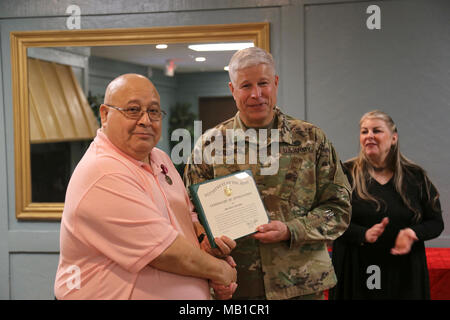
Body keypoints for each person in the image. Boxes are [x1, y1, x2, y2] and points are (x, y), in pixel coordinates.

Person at [183, 47, 352, 300]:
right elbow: (189, 214)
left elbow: (337, 209)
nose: (256, 94)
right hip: (235, 285)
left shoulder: (312, 139)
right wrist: (205, 238)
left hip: (300, 286)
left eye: (263, 83)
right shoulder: (209, 145)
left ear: (275, 83)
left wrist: (291, 229)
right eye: (245, 86)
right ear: (232, 89)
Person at [54, 73, 237, 300]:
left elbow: (186, 218)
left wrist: (205, 244)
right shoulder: (103, 173)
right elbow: (166, 253)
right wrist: (222, 271)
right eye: (133, 110)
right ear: (105, 114)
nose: (145, 120)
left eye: (153, 111)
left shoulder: (160, 158)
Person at [330, 110, 444, 300]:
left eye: (377, 131)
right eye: (364, 131)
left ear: (393, 138)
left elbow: (436, 222)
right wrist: (363, 234)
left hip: (404, 274)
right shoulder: (344, 174)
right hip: (355, 271)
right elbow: (329, 220)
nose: (369, 136)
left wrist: (412, 233)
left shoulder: (415, 177)